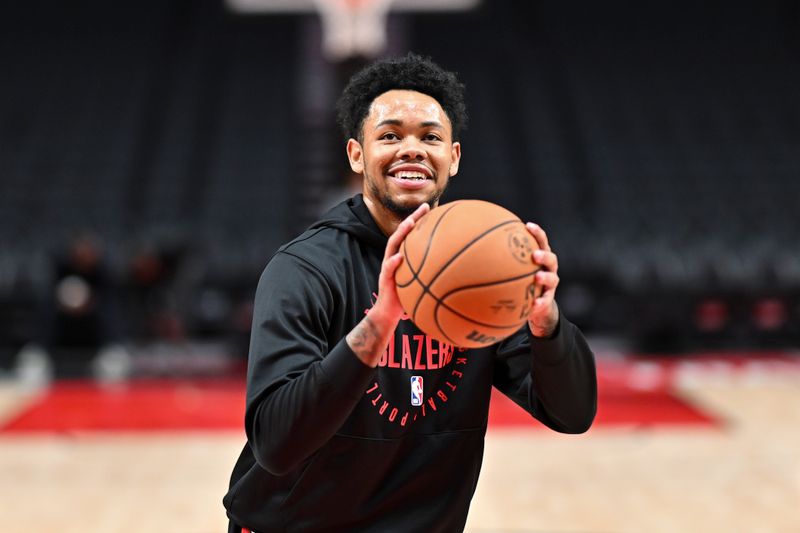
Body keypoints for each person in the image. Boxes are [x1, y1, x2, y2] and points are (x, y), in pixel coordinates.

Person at [224, 53, 597, 533]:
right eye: (390, 136)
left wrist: (547, 325)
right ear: (357, 154)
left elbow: (573, 414)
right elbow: (275, 444)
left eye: (431, 137)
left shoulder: (483, 272)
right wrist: (378, 324)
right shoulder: (304, 269)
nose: (412, 149)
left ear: (454, 158)